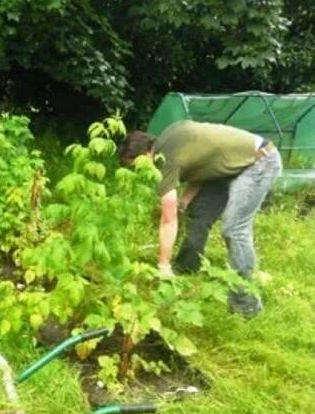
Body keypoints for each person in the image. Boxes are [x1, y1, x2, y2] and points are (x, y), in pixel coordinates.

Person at [119, 120, 282, 317]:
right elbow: (204, 164)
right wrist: (185, 201)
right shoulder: (168, 136)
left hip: (259, 161)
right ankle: (187, 267)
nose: (138, 171)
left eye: (135, 165)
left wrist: (163, 265)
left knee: (234, 228)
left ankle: (245, 303)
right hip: (230, 167)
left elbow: (168, 219)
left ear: (146, 155)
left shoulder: (166, 161)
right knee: (198, 214)